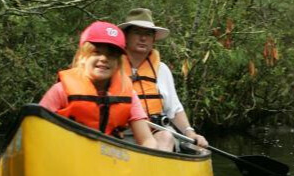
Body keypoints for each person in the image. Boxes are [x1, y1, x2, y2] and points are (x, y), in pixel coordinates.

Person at [40, 21, 159, 149]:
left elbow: (147, 140)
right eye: (96, 52)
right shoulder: (61, 90)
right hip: (66, 154)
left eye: (111, 55)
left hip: (106, 160)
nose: (104, 58)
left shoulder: (128, 94)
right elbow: (37, 129)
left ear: (118, 63)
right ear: (82, 57)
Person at [119, 8, 209, 152]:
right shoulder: (112, 65)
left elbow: (174, 108)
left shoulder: (162, 69)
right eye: (137, 32)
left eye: (148, 34)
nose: (143, 38)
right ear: (125, 36)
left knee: (166, 136)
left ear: (153, 39)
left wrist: (190, 132)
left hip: (156, 130)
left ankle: (154, 170)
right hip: (123, 132)